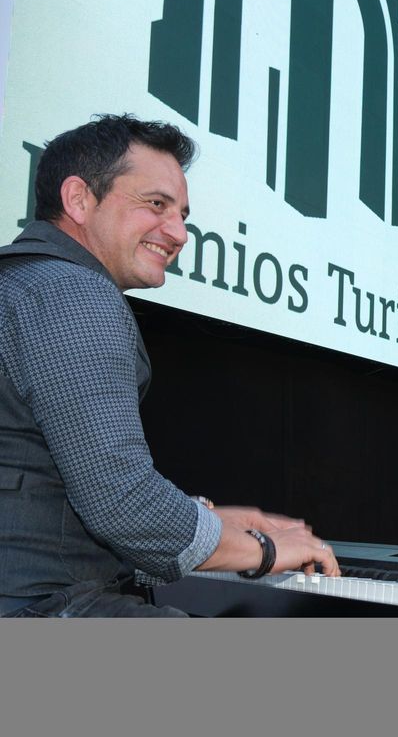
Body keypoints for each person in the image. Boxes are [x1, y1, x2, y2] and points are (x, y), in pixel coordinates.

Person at [0, 115, 340, 618]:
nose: (179, 233)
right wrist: (264, 552)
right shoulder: (73, 292)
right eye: (156, 205)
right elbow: (123, 505)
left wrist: (217, 522)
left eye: (182, 214)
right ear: (78, 200)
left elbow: (58, 495)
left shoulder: (24, 284)